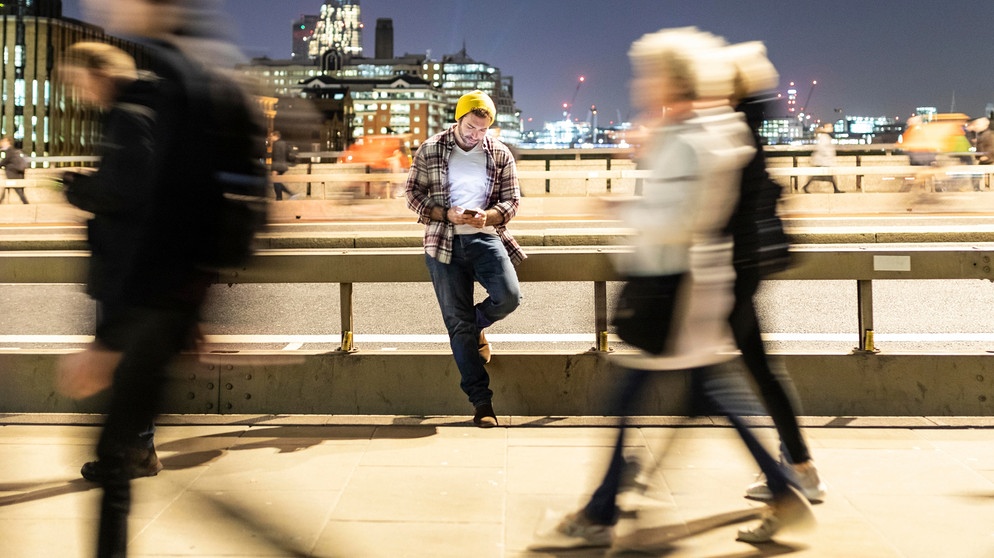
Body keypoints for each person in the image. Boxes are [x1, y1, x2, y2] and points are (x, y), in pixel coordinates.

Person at [535, 29, 814, 551]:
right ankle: (783, 490)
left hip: (673, 290)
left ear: (673, 79)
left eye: (650, 73)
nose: (643, 83)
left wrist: (624, 208)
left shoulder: (690, 137)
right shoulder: (700, 131)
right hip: (688, 286)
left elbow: (684, 217)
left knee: (625, 401)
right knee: (706, 395)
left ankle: (600, 513)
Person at [60, 1, 258, 555]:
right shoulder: (194, 68)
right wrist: (192, 305)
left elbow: (161, 208)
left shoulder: (163, 88)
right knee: (122, 454)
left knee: (118, 457)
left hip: (146, 299)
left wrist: (110, 335)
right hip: (168, 297)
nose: (102, 4)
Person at [726, 41, 827, 504]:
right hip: (744, 264)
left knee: (743, 373)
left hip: (732, 266)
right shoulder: (749, 122)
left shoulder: (732, 127)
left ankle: (794, 470)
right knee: (760, 368)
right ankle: (795, 466)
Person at [405, 90, 524, 428]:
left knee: (509, 297)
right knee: (456, 323)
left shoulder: (499, 154)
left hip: (485, 238)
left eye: (483, 130)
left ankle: (475, 328)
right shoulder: (431, 149)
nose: (476, 136)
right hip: (443, 244)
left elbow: (513, 201)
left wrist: (488, 216)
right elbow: (412, 196)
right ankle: (482, 404)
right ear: (458, 120)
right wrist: (445, 214)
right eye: (471, 128)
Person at [801, 123, 841, 193]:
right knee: (819, 175)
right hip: (822, 160)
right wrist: (828, 155)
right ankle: (836, 189)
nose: (832, 128)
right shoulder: (824, 137)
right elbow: (821, 148)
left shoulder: (825, 136)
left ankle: (836, 189)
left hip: (822, 160)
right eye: (830, 127)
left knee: (827, 176)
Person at [269, 130, 300, 200]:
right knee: (277, 181)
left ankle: (287, 195)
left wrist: (275, 169)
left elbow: (276, 156)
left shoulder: (276, 144)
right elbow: (289, 154)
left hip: (277, 166)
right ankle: (281, 197)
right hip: (283, 165)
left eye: (271, 136)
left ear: (275, 136)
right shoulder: (284, 143)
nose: (270, 138)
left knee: (276, 181)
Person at [0, 137, 29, 204]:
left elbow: (5, 161)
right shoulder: (11, 150)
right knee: (8, 187)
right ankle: (1, 200)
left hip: (13, 174)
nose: (3, 144)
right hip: (15, 173)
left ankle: (26, 203)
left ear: (8, 143)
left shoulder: (10, 151)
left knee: (18, 191)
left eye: (4, 142)